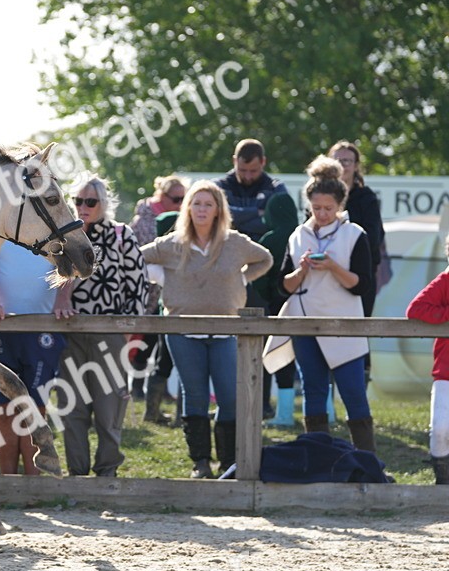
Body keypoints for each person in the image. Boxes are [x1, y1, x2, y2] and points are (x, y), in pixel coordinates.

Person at [141, 181, 272, 479]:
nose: (201, 209)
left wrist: (242, 280)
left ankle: (229, 463)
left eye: (208, 204)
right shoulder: (173, 243)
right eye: (196, 203)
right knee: (195, 394)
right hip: (183, 331)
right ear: (187, 207)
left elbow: (265, 258)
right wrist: (161, 278)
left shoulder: (234, 242)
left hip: (226, 330)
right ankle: (200, 462)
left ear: (218, 210)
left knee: (229, 397)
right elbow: (137, 258)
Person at [265, 158, 376, 452]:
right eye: (317, 208)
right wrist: (300, 271)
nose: (322, 214)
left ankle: (368, 460)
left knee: (353, 394)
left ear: (340, 204)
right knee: (314, 392)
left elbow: (362, 285)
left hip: (343, 323)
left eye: (328, 208)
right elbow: (282, 286)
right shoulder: (297, 235)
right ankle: (317, 456)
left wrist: (333, 267)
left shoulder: (355, 234)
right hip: (305, 323)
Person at [53, 176, 147, 477]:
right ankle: (77, 474)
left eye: (90, 202)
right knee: (73, 408)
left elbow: (138, 286)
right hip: (72, 331)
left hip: (111, 331)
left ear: (104, 204)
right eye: (78, 201)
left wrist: (128, 333)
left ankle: (107, 472)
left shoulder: (122, 234)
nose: (83, 207)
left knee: (109, 409)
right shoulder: (61, 237)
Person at [0, 242, 64, 475]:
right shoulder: (2, 226)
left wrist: (62, 302)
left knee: (35, 408)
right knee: (4, 409)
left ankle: (33, 483)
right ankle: (9, 481)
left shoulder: (54, 227)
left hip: (43, 328)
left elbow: (71, 267)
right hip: (2, 326)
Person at [129, 175, 187, 422]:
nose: (180, 203)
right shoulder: (144, 222)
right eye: (176, 199)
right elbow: (137, 258)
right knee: (145, 343)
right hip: (146, 291)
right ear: (162, 197)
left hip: (167, 294)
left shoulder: (181, 219)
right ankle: (138, 389)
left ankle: (157, 395)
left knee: (160, 347)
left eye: (184, 199)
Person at [253, 192, 300, 426]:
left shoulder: (270, 239)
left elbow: (259, 280)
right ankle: (325, 412)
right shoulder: (304, 235)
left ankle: (278, 413)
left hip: (274, 310)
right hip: (304, 307)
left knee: (274, 358)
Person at [405, 236, 449, 484]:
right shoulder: (445, 280)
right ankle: (443, 486)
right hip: (446, 371)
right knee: (440, 431)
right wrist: (447, 315)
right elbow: (415, 309)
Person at [328, 141, 386, 317]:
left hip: (359, 276)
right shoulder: (320, 197)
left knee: (356, 333)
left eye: (346, 161)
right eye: (336, 160)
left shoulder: (367, 198)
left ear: (356, 166)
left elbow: (373, 238)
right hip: (325, 277)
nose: (341, 166)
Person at [214, 138, 289, 242]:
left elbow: (280, 224)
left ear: (263, 162)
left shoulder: (276, 189)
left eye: (253, 171)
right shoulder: (218, 187)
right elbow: (214, 217)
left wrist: (234, 223)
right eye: (242, 170)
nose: (247, 176)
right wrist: (257, 212)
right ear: (234, 161)